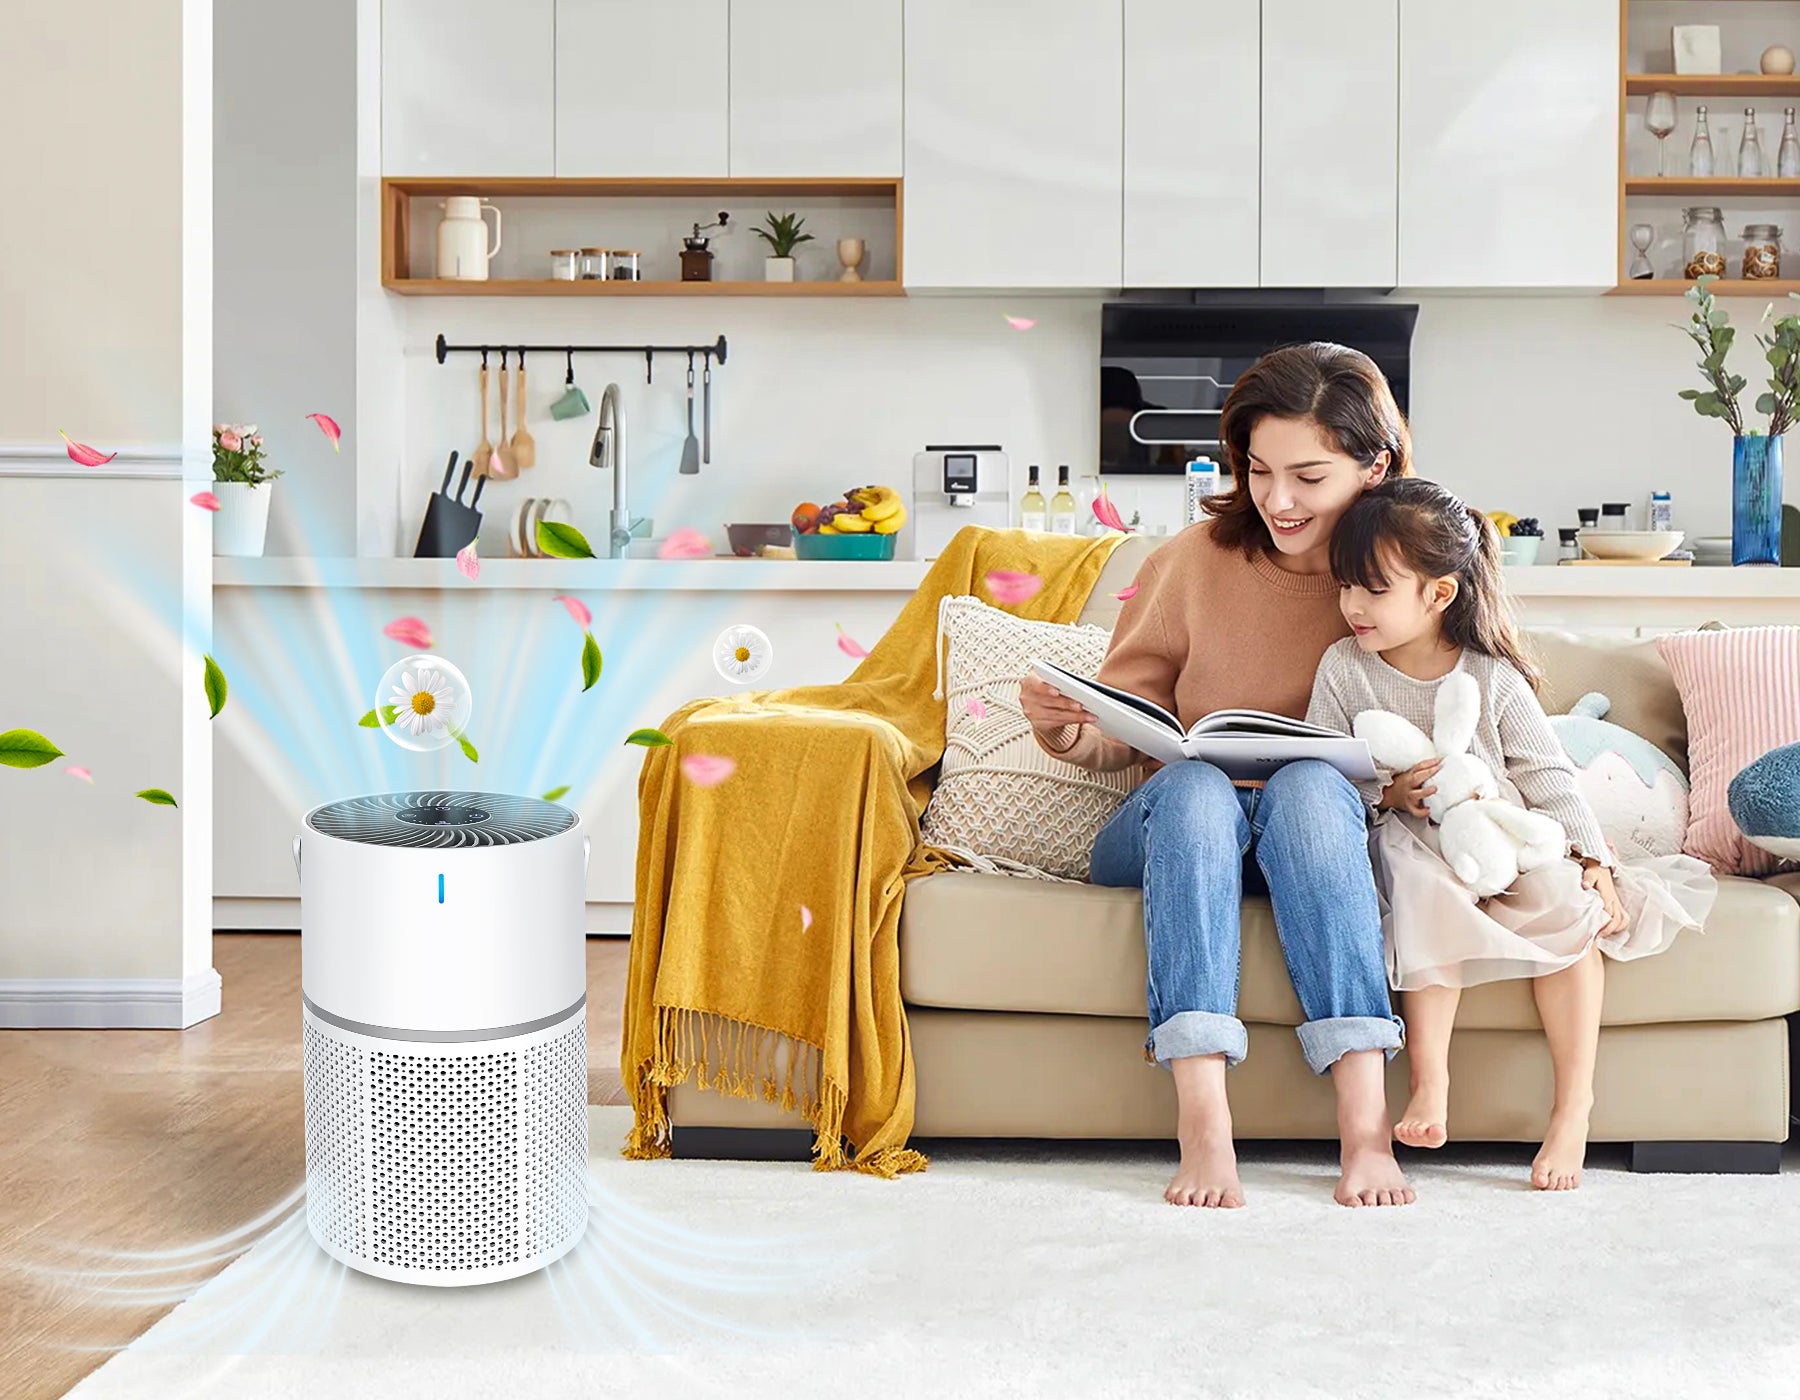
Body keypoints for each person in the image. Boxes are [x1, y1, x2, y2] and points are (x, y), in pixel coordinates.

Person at [1019, 341, 1416, 1209]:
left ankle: (1364, 1128)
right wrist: (1069, 732)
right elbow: (1127, 728)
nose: (1277, 499)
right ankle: (1203, 1125)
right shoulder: (1192, 560)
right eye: (1259, 469)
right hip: (1179, 827)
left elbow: (1475, 702)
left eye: (1309, 477)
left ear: (1374, 464)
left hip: (1320, 839)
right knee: (1199, 789)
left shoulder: (1410, 574)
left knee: (1312, 782)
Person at [1306, 478, 1716, 1190]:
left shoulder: (1491, 679)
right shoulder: (1344, 668)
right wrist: (1386, 792)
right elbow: (1318, 774)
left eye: (1372, 590)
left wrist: (1592, 858)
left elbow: (1550, 776)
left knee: (1568, 905)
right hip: (1413, 840)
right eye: (1344, 587)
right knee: (1420, 891)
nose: (1351, 607)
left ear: (1438, 594)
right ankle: (1430, 1083)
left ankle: (1573, 1109)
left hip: (1504, 834)